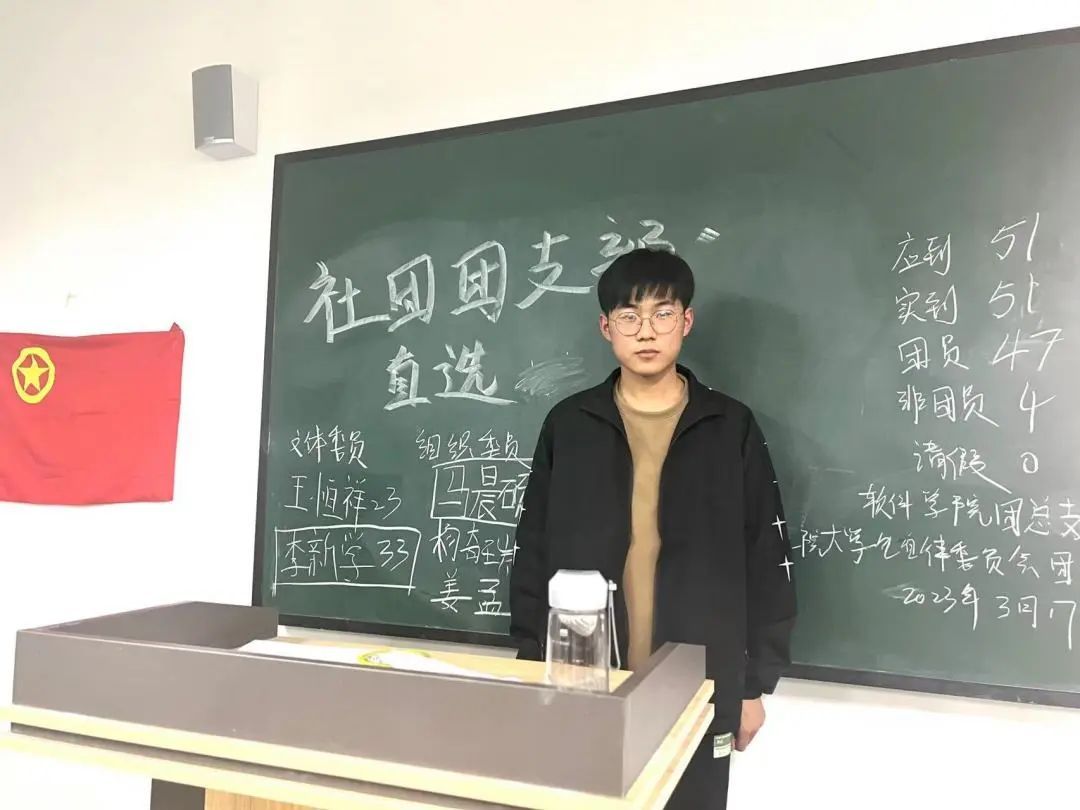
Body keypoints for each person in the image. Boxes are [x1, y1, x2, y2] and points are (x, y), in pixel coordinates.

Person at [509, 247, 797, 808]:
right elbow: (533, 547)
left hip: (699, 684)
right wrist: (530, 662)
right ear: (606, 328)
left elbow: (767, 552)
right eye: (629, 317)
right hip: (583, 678)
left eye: (662, 314)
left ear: (686, 322)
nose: (646, 332)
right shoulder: (570, 425)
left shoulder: (728, 426)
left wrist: (753, 685)